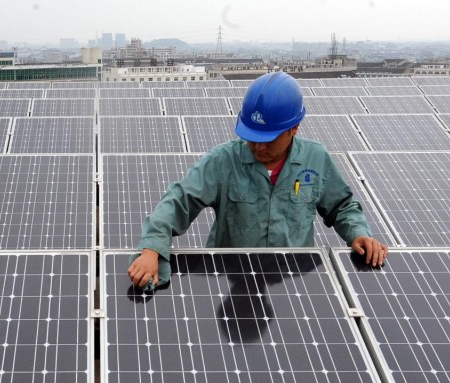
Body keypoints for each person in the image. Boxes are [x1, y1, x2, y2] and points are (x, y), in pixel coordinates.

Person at [128, 71, 388, 289]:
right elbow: (178, 200)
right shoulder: (223, 160)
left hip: (291, 282)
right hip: (229, 277)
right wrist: (152, 249)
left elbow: (342, 206)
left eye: (268, 140)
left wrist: (358, 233)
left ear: (294, 129)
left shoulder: (315, 158)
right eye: (252, 138)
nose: (257, 147)